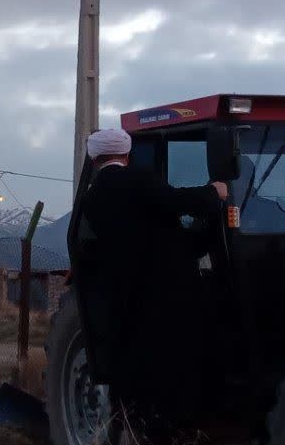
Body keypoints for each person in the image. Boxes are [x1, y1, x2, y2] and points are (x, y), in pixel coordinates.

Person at [76, 128, 228, 426]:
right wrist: (214, 192)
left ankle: (134, 428)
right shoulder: (139, 180)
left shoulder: (91, 199)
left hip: (123, 291)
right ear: (127, 155)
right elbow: (176, 202)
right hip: (165, 288)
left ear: (94, 159)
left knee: (132, 368)